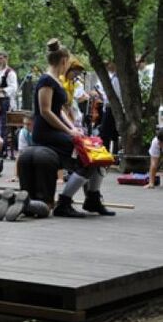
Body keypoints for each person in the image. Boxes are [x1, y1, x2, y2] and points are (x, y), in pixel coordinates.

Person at [32, 39, 114, 217]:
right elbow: (45, 112)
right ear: (63, 61)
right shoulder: (46, 80)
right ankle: (64, 203)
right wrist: (69, 132)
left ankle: (92, 199)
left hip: (57, 130)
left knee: (98, 150)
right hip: (45, 133)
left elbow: (59, 110)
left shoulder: (56, 80)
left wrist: (74, 128)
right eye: (67, 63)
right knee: (87, 154)